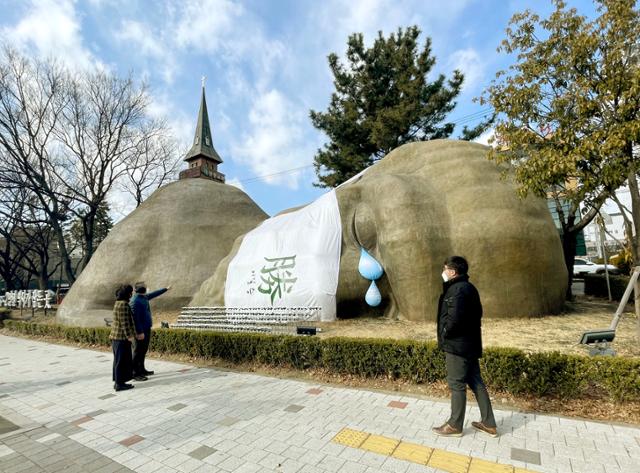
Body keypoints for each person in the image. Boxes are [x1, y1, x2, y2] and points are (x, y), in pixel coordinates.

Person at [432, 256, 497, 438]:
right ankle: (489, 423)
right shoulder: (469, 288)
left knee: (456, 384)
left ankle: (454, 425)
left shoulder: (456, 290)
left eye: (445, 269)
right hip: (469, 344)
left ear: (452, 272)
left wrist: (445, 332)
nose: (443, 272)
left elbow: (454, 320)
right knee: (476, 381)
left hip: (457, 347)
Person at [130, 282, 171, 379]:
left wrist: (165, 289)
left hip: (146, 328)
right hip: (140, 331)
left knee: (143, 351)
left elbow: (154, 294)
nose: (147, 290)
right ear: (143, 291)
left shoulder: (143, 297)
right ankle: (135, 373)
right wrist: (139, 332)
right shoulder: (135, 301)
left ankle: (142, 369)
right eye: (146, 288)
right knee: (137, 351)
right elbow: (136, 319)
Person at [110, 284, 141, 391]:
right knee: (120, 361)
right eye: (130, 293)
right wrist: (130, 336)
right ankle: (119, 384)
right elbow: (124, 323)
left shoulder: (119, 303)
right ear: (127, 294)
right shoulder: (123, 305)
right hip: (121, 338)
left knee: (119, 360)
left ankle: (119, 382)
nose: (131, 294)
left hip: (117, 338)